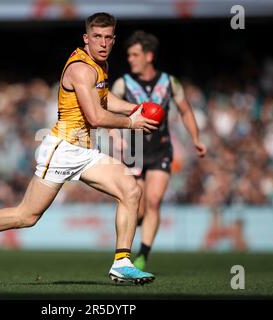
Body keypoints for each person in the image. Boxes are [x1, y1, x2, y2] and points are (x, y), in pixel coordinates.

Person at [0, 13, 160, 284]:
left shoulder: (100, 63)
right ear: (86, 38)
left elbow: (104, 97)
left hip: (84, 151)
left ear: (114, 40)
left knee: (130, 190)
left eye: (108, 37)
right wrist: (132, 121)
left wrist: (134, 107)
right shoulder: (81, 69)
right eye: (97, 37)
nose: (103, 42)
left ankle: (122, 263)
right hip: (63, 149)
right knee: (27, 215)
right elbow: (95, 117)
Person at [111, 31, 207, 271]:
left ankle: (143, 254)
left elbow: (185, 110)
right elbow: (107, 111)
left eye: (135, 54)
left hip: (161, 149)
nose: (130, 59)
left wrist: (195, 138)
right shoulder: (123, 83)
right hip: (133, 152)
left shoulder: (169, 82)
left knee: (153, 201)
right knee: (139, 208)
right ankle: (135, 229)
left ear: (149, 56)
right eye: (129, 55)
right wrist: (114, 136)